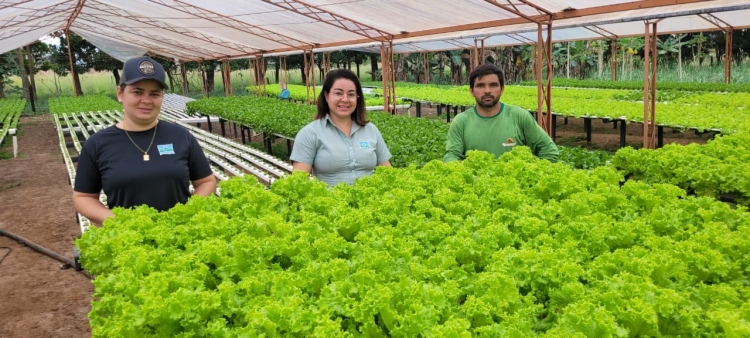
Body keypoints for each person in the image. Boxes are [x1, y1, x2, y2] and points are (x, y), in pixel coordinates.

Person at [73, 56, 217, 225]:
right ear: (120, 94)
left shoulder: (180, 136)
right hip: (127, 239)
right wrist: (117, 221)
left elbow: (207, 181)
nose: (146, 100)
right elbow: (83, 197)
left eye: (154, 94)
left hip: (179, 235)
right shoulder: (98, 144)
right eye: (137, 92)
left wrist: (187, 212)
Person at [290, 69, 392, 186]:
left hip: (371, 202)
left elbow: (388, 173)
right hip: (330, 203)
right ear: (327, 96)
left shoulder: (371, 130)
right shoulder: (309, 133)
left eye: (351, 94)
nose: (345, 99)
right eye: (338, 93)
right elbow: (299, 182)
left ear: (357, 98)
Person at [443, 64, 559, 162]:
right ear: (471, 91)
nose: (487, 91)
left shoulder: (519, 116)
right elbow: (452, 155)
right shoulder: (461, 121)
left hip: (515, 188)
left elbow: (549, 150)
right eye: (480, 86)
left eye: (493, 85)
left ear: (502, 89)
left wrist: (533, 175)